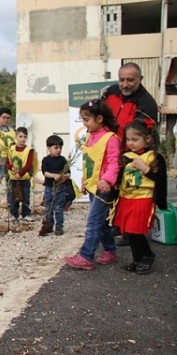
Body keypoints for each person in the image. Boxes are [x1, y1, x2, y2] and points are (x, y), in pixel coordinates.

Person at [101, 62, 159, 246]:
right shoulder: (110, 92)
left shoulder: (147, 103)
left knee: (127, 190)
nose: (125, 84)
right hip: (108, 149)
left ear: (140, 79)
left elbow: (142, 135)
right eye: (122, 79)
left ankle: (129, 232)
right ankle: (116, 224)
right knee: (111, 188)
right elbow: (99, 114)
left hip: (130, 154)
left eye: (130, 80)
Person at [65, 100, 120, 270]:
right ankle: (110, 250)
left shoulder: (110, 139)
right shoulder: (89, 136)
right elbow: (88, 162)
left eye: (87, 119)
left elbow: (113, 163)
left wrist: (107, 180)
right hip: (93, 186)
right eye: (83, 120)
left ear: (100, 118)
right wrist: (84, 182)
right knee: (101, 222)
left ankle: (86, 256)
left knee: (93, 221)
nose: (84, 123)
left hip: (104, 188)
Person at [114, 119, 167, 274]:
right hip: (126, 199)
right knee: (129, 232)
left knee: (136, 231)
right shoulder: (126, 156)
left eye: (135, 140)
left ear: (147, 139)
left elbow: (160, 179)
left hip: (143, 198)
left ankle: (148, 255)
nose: (131, 143)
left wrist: (145, 169)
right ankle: (137, 260)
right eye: (129, 139)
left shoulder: (153, 157)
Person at [40, 135, 70, 236]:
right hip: (49, 188)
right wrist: (54, 176)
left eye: (60, 148)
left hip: (60, 188)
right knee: (48, 207)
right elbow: (45, 173)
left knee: (58, 208)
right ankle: (49, 225)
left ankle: (59, 226)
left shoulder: (63, 160)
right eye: (56, 148)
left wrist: (64, 176)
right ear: (48, 148)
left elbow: (68, 173)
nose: (58, 150)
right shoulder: (46, 160)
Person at [6, 127, 36, 222]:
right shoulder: (11, 149)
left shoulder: (29, 150)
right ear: (16, 137)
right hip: (13, 177)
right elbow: (7, 162)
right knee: (13, 196)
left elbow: (29, 164)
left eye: (25, 137)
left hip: (24, 177)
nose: (22, 139)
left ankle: (26, 214)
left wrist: (20, 173)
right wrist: (11, 168)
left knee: (26, 196)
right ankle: (13, 214)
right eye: (20, 136)